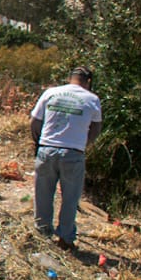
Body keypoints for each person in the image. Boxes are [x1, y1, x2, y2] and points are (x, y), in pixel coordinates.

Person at [29, 66, 102, 250]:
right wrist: (83, 144)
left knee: (43, 194)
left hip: (47, 148)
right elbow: (96, 128)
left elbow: (35, 121)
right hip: (73, 152)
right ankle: (65, 238)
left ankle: (42, 233)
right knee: (70, 198)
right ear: (89, 81)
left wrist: (39, 142)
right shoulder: (92, 99)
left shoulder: (51, 93)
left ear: (70, 78)